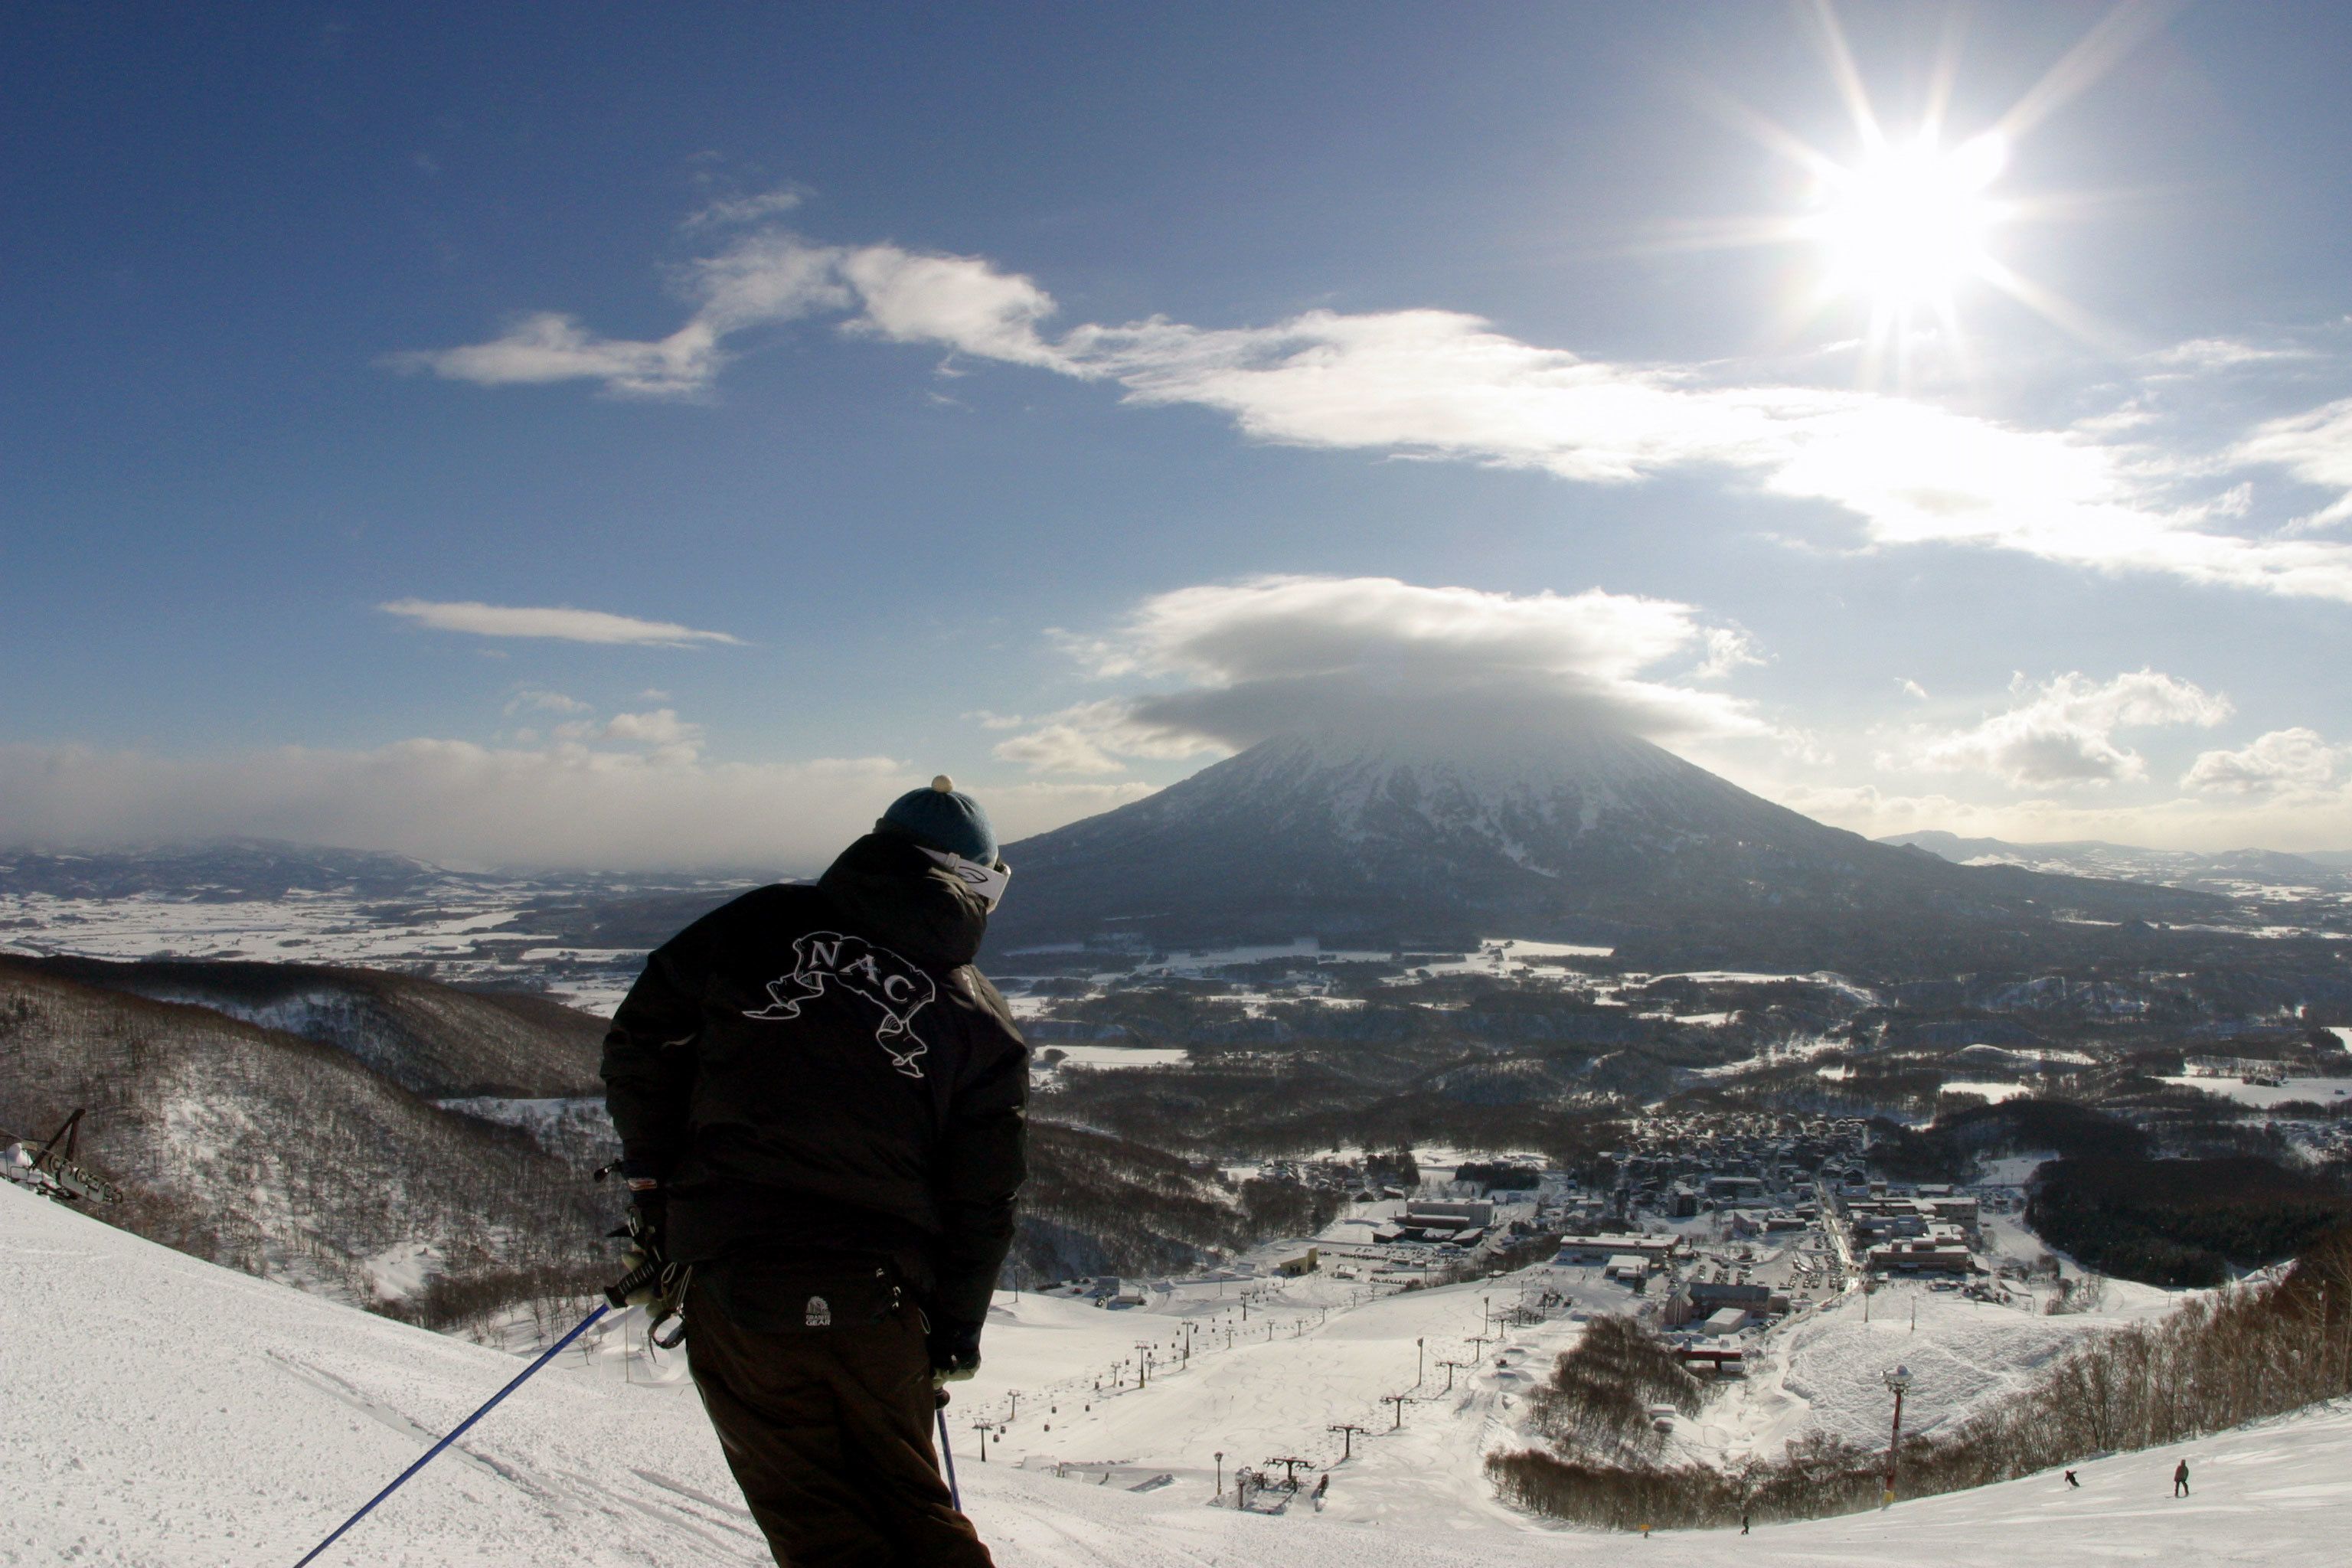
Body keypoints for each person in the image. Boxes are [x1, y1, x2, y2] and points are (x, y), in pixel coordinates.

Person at [603, 776, 1028, 1567]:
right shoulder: (980, 1019)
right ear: (975, 881)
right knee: (914, 1511)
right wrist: (957, 1330)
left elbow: (641, 1042)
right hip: (883, 1299)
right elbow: (984, 1198)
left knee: (815, 1524)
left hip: (736, 1280)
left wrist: (655, 1187)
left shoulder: (755, 924)